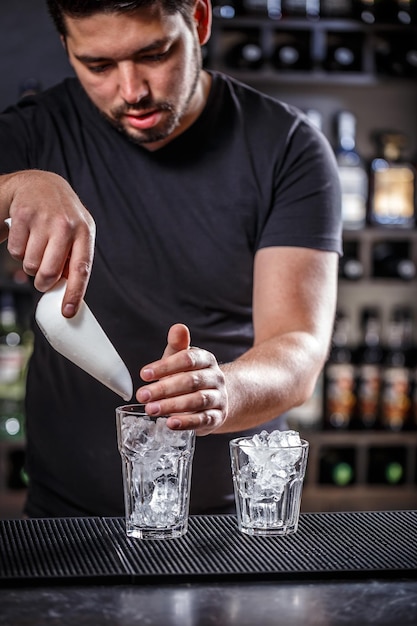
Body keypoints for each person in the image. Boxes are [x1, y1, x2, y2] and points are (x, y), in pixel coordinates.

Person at [0, 0, 342, 517]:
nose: (132, 90)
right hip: (63, 519)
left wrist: (223, 390)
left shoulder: (288, 147)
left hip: (228, 524)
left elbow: (299, 347)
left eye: (155, 53)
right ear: (67, 48)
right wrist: (16, 186)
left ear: (199, 21)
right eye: (99, 66)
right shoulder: (33, 132)